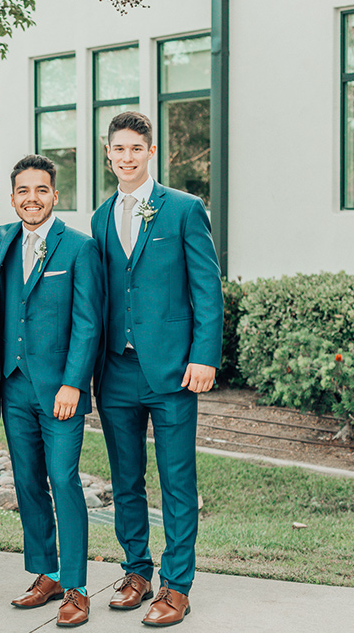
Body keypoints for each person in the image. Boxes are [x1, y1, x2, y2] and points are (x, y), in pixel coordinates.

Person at [91, 111, 223, 627]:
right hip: (116, 372)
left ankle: (177, 586)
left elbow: (206, 289)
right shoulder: (101, 217)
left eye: (134, 148)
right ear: (109, 155)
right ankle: (136, 570)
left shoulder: (185, 209)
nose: (126, 157)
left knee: (176, 481)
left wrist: (204, 355)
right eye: (117, 149)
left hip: (173, 371)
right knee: (125, 480)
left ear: (151, 152)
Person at [0, 154, 103, 628]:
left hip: (60, 391)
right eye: (22, 191)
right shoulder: (1, 241)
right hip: (13, 387)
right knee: (28, 483)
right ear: (11, 197)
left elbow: (88, 322)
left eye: (40, 190)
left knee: (63, 479)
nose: (31, 199)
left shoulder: (78, 248)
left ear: (55, 195)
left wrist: (74, 384)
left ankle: (77, 587)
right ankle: (47, 573)